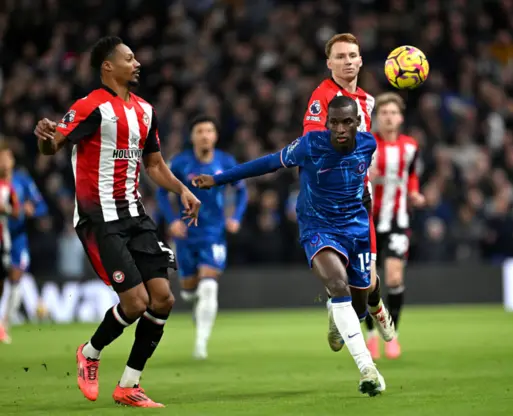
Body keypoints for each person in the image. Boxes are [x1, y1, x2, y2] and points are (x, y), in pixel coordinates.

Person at [32, 36, 201, 407]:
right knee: (137, 302)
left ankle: (129, 385)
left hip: (135, 214)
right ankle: (90, 353)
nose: (137, 62)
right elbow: (54, 144)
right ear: (108, 66)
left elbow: (153, 165)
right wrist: (45, 137)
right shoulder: (91, 106)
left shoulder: (144, 110)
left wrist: (182, 190)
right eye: (129, 58)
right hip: (100, 219)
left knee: (163, 300)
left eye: (136, 57)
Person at [194, 96, 385, 396]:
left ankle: (339, 316)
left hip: (355, 228)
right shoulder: (310, 145)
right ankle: (367, 369)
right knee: (337, 283)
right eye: (333, 122)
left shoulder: (368, 144)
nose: (340, 129)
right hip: (317, 225)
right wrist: (218, 180)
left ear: (357, 123)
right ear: (327, 123)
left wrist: (368, 222)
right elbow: (268, 163)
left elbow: (363, 186)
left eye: (346, 122)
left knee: (358, 304)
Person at [302, 32, 395, 352]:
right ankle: (345, 305)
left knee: (366, 282)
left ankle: (373, 305)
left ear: (360, 60)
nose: (347, 62)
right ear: (329, 63)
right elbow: (314, 146)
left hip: (361, 200)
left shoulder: (368, 102)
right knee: (349, 281)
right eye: (340, 57)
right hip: (329, 205)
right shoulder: (322, 98)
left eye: (352, 55)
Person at [157, 114, 247, 360]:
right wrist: (173, 220)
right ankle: (195, 301)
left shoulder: (225, 161)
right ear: (192, 136)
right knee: (188, 291)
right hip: (186, 235)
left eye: (209, 131)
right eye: (200, 131)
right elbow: (162, 194)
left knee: (208, 287)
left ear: (215, 136)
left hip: (214, 233)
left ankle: (201, 344)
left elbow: (242, 192)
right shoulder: (180, 164)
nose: (205, 135)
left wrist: (236, 217)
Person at [365, 93, 425, 359]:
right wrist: (366, 175)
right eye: (384, 113)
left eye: (393, 113)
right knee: (367, 282)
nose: (388, 117)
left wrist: (415, 193)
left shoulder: (411, 146)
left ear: (400, 118)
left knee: (393, 277)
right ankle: (371, 335)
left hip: (397, 221)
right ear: (378, 118)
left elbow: (410, 175)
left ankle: (393, 334)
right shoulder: (367, 144)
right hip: (366, 221)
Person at [0, 145, 48, 342]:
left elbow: (41, 206)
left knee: (16, 277)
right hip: (2, 237)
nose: (4, 162)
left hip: (18, 237)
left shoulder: (22, 180)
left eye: (7, 157)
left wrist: (32, 210)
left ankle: (5, 323)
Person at [0, 142, 20, 344]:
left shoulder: (10, 187)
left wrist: (5, 209)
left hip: (3, 240)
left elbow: (16, 211)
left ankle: (2, 324)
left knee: (3, 282)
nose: (6, 163)